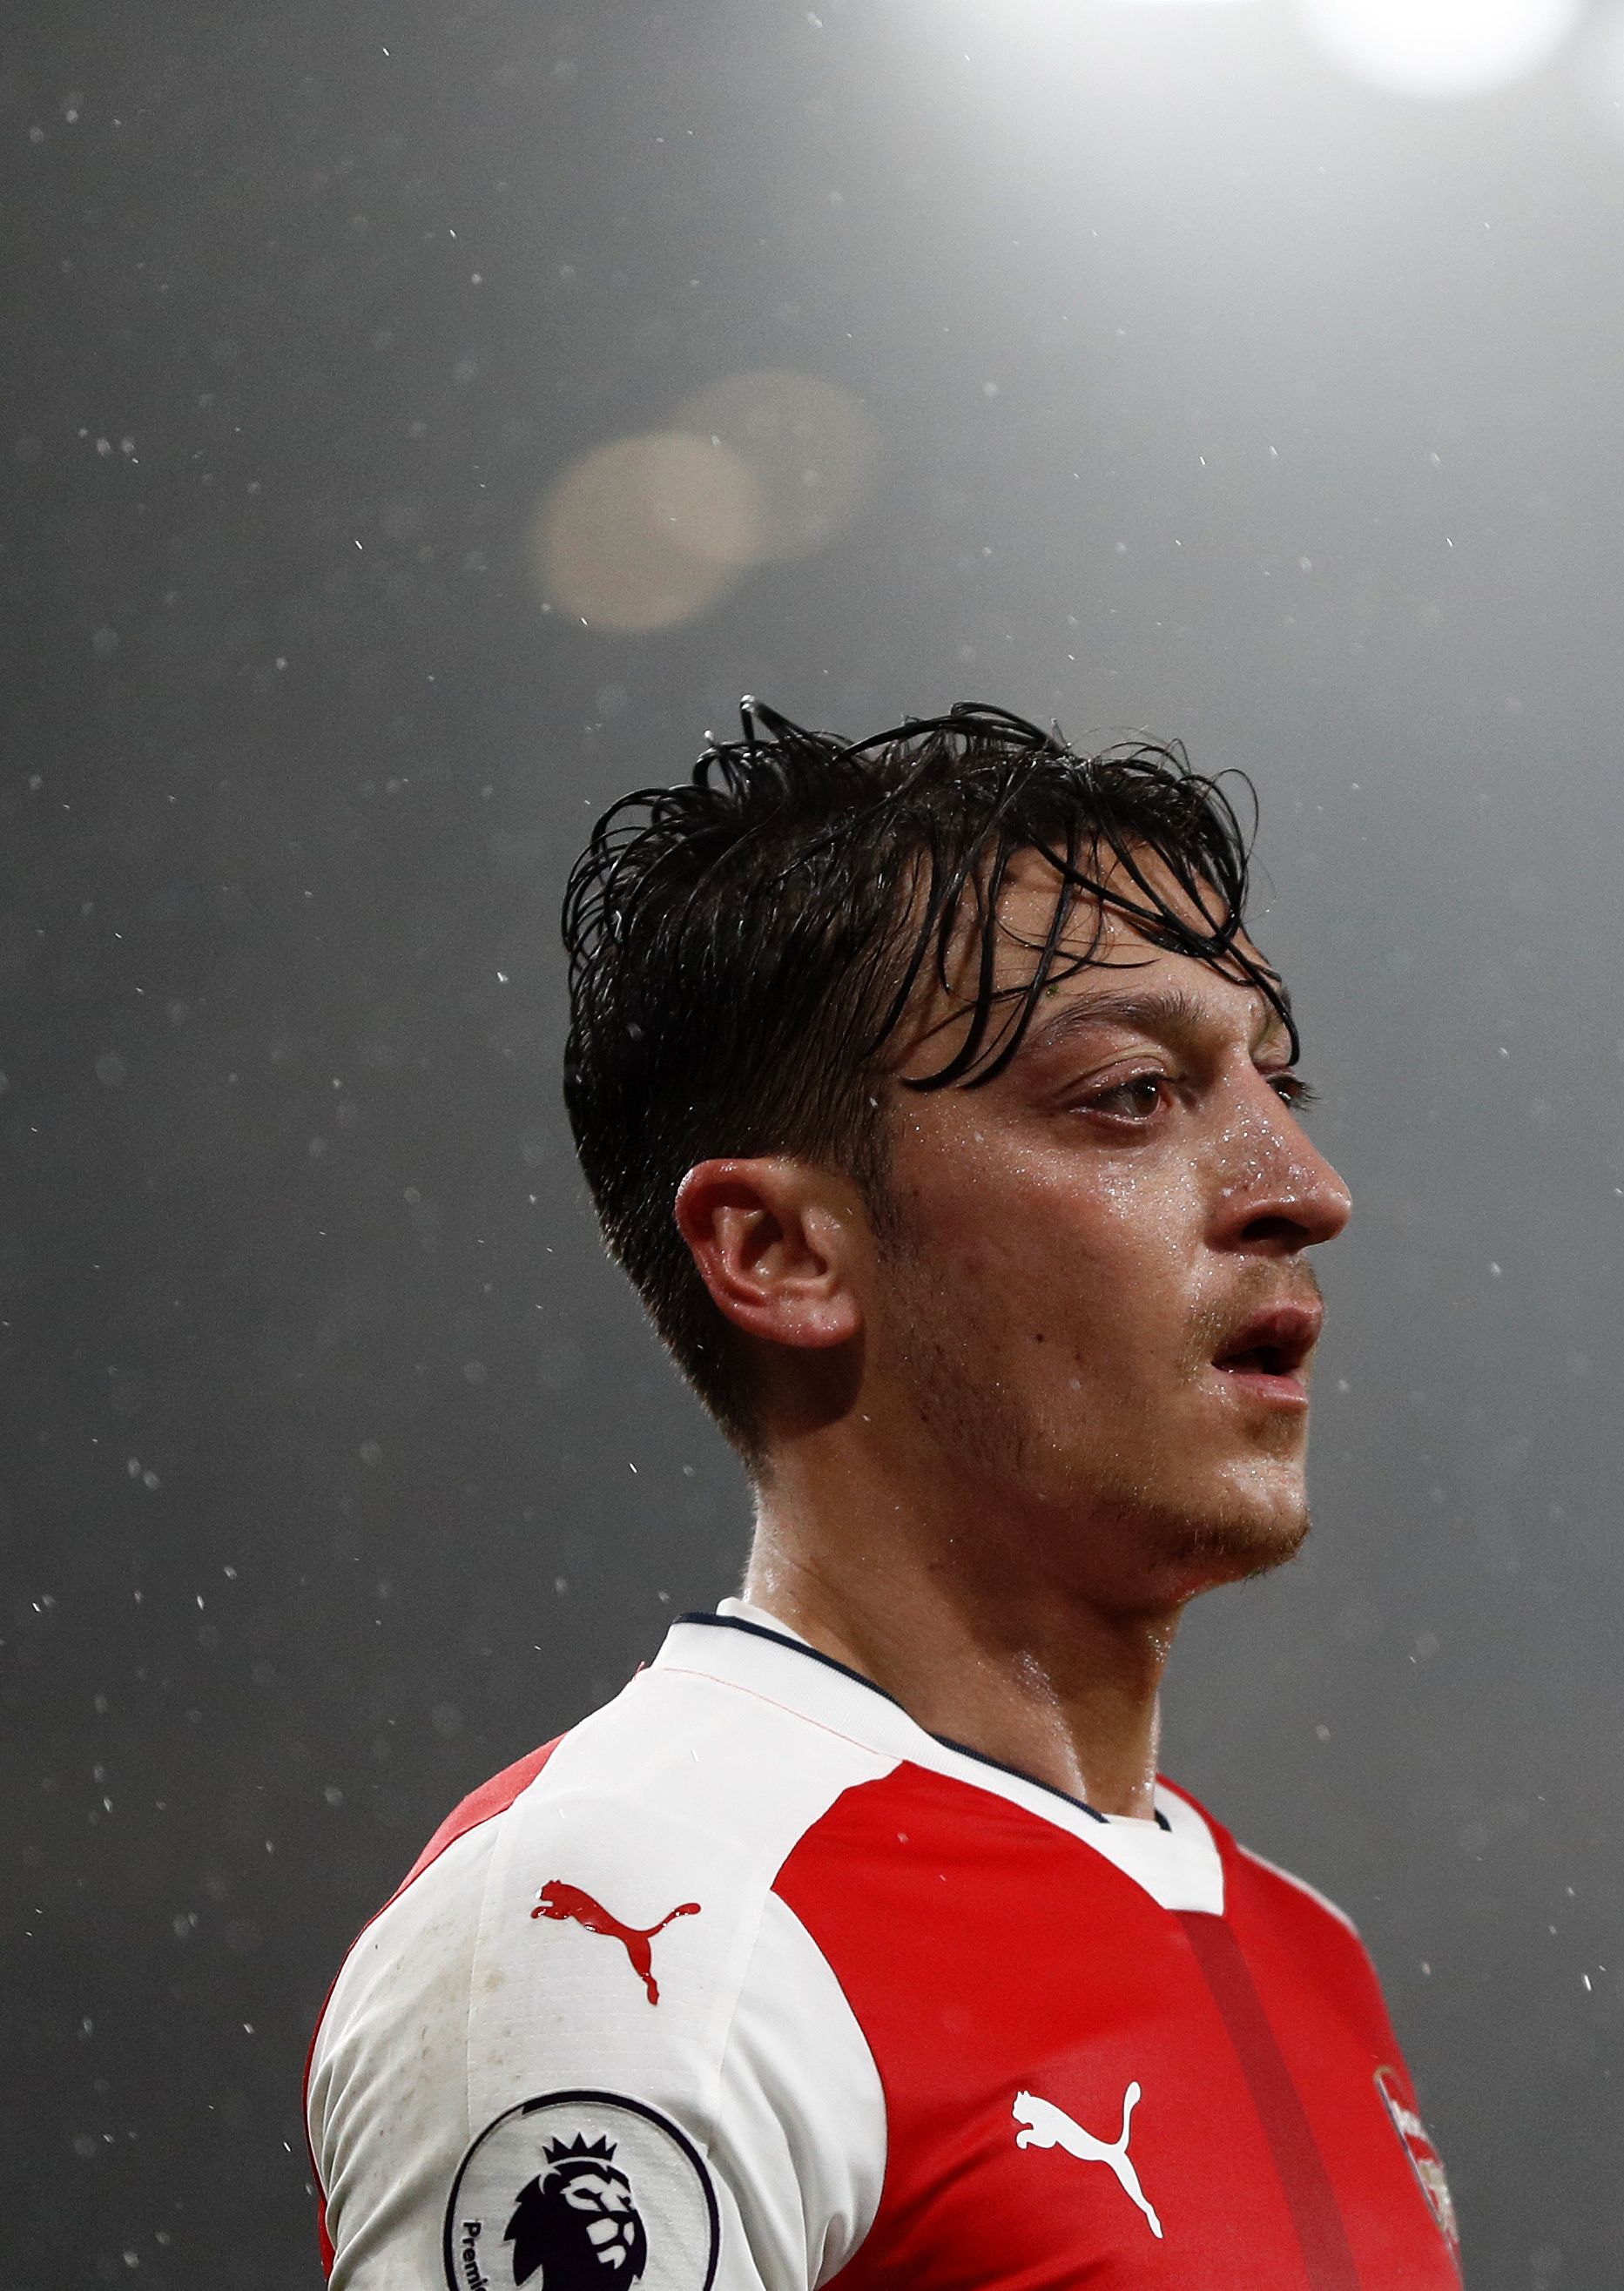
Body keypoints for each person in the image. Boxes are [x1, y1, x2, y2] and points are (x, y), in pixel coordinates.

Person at [305, 702, 1460, 2291]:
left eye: (1277, 1085)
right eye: (1131, 1094)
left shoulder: (1306, 1950)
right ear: (780, 1252)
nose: (1301, 1191)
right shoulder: (632, 1920)